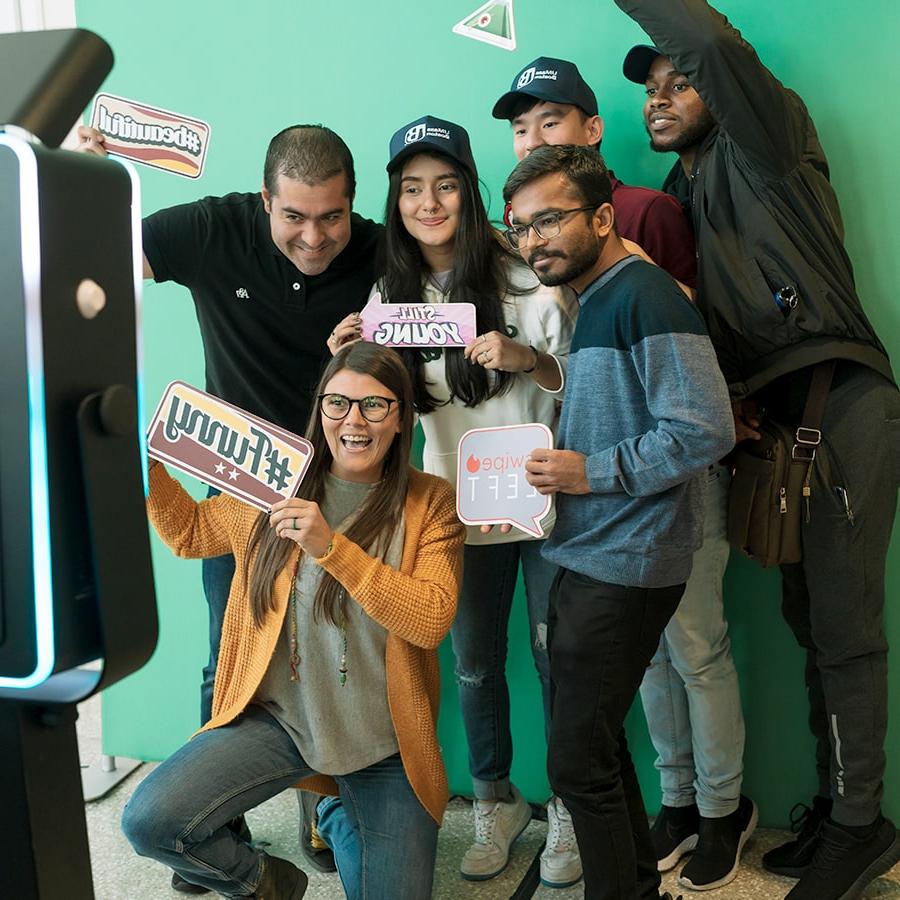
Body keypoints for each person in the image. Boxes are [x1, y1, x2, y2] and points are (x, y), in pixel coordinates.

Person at [616, 2, 900, 898]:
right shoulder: (690, 191)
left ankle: (864, 829)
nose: (661, 98)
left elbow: (708, 40)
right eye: (650, 91)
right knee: (813, 627)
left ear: (726, 86)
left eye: (680, 82)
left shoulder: (767, 141)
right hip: (780, 429)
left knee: (847, 633)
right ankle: (841, 813)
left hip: (841, 403)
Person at [77, 122, 380, 882]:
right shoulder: (211, 228)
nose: (315, 237)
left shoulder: (380, 248)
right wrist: (84, 187)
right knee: (228, 656)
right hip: (241, 486)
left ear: (353, 204)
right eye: (295, 217)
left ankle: (323, 801)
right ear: (263, 200)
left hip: (351, 483)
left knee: (338, 652)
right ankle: (217, 824)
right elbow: (99, 266)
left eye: (332, 217)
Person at [495, 56, 753, 889]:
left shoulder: (644, 295)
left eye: (551, 221)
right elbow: (612, 398)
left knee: (576, 766)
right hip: (584, 553)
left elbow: (703, 429)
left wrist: (585, 473)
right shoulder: (595, 299)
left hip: (627, 558)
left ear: (604, 217)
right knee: (595, 753)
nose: (534, 240)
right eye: (520, 227)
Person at [329, 115, 580, 887]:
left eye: (443, 185)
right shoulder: (388, 293)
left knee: (556, 661)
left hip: (538, 504)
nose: (427, 202)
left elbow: (579, 379)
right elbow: (379, 409)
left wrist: (525, 356)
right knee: (473, 666)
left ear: (467, 194)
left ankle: (569, 809)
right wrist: (354, 360)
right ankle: (495, 801)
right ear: (396, 201)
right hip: (450, 511)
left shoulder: (522, 273)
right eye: (411, 189)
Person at [121, 341, 465, 900]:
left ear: (402, 418)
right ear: (320, 410)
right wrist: (151, 468)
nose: (353, 420)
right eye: (338, 403)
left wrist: (333, 548)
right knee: (151, 821)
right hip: (281, 725)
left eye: (374, 406)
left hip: (384, 745)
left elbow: (429, 621)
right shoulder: (273, 484)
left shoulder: (431, 504)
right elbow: (189, 533)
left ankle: (329, 805)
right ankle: (268, 878)